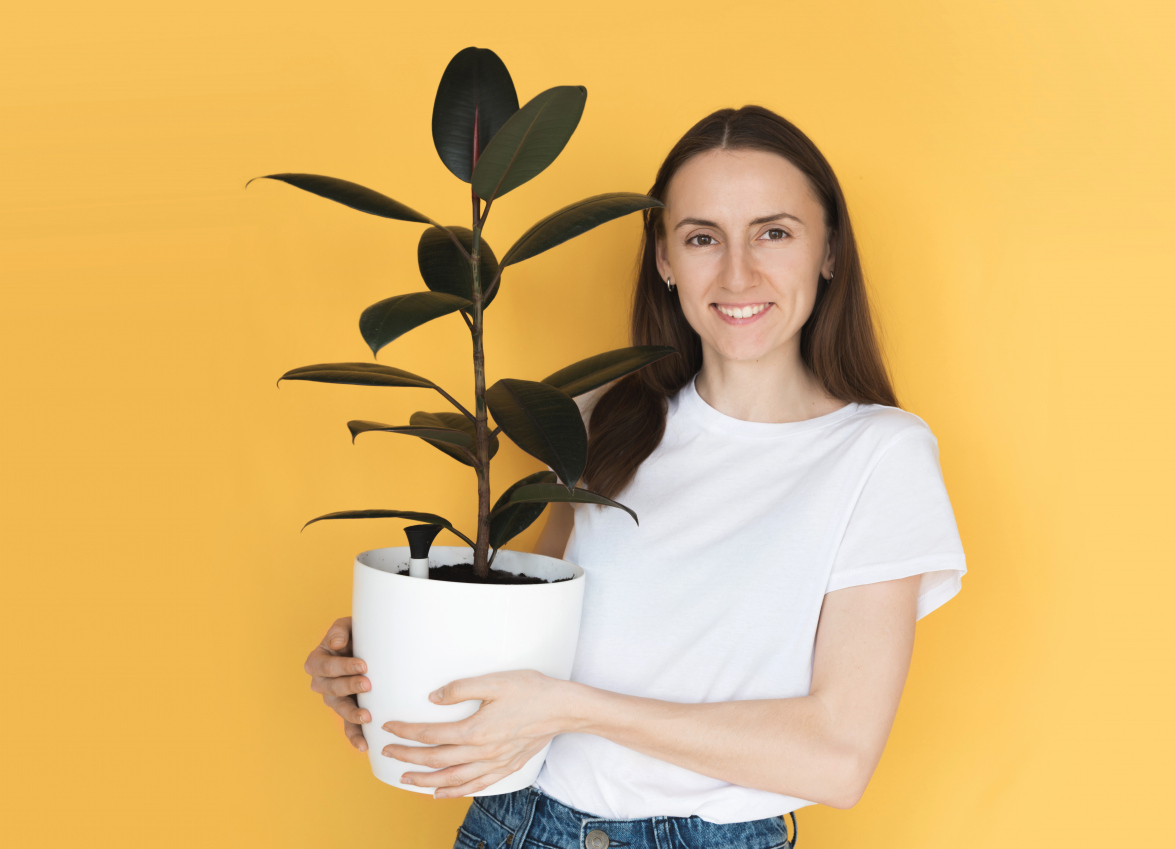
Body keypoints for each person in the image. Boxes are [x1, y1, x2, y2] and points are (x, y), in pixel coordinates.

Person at [303, 105, 967, 849]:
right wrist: (379, 660)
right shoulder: (596, 416)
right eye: (702, 237)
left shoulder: (878, 454)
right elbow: (525, 649)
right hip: (518, 826)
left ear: (830, 251)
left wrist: (575, 708)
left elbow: (837, 759)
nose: (738, 273)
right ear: (664, 259)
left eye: (773, 233)